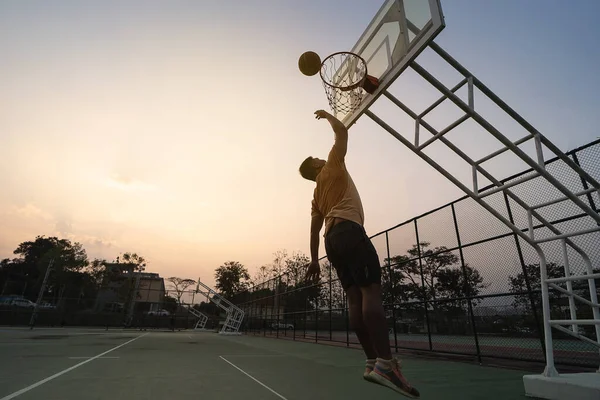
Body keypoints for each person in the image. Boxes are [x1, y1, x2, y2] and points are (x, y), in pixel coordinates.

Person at [299, 110, 420, 399]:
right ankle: (386, 364)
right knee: (371, 292)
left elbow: (314, 231)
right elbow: (342, 132)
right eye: (317, 157)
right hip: (350, 232)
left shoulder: (316, 196)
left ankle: (370, 360)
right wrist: (329, 116)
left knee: (354, 297)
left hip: (331, 241)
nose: (320, 157)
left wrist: (315, 260)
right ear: (316, 164)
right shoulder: (332, 167)